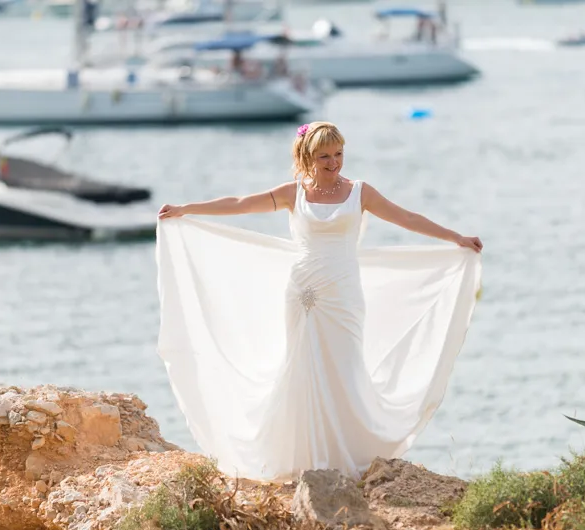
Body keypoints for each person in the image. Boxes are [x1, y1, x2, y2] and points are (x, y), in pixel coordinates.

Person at [155, 121, 483, 481]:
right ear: (307, 157)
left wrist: (455, 237)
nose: (334, 162)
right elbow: (240, 204)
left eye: (339, 153)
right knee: (302, 369)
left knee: (344, 367)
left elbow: (406, 217)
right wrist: (187, 209)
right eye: (325, 155)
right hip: (302, 293)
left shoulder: (360, 192)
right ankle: (304, 460)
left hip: (344, 294)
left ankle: (347, 455)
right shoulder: (293, 193)